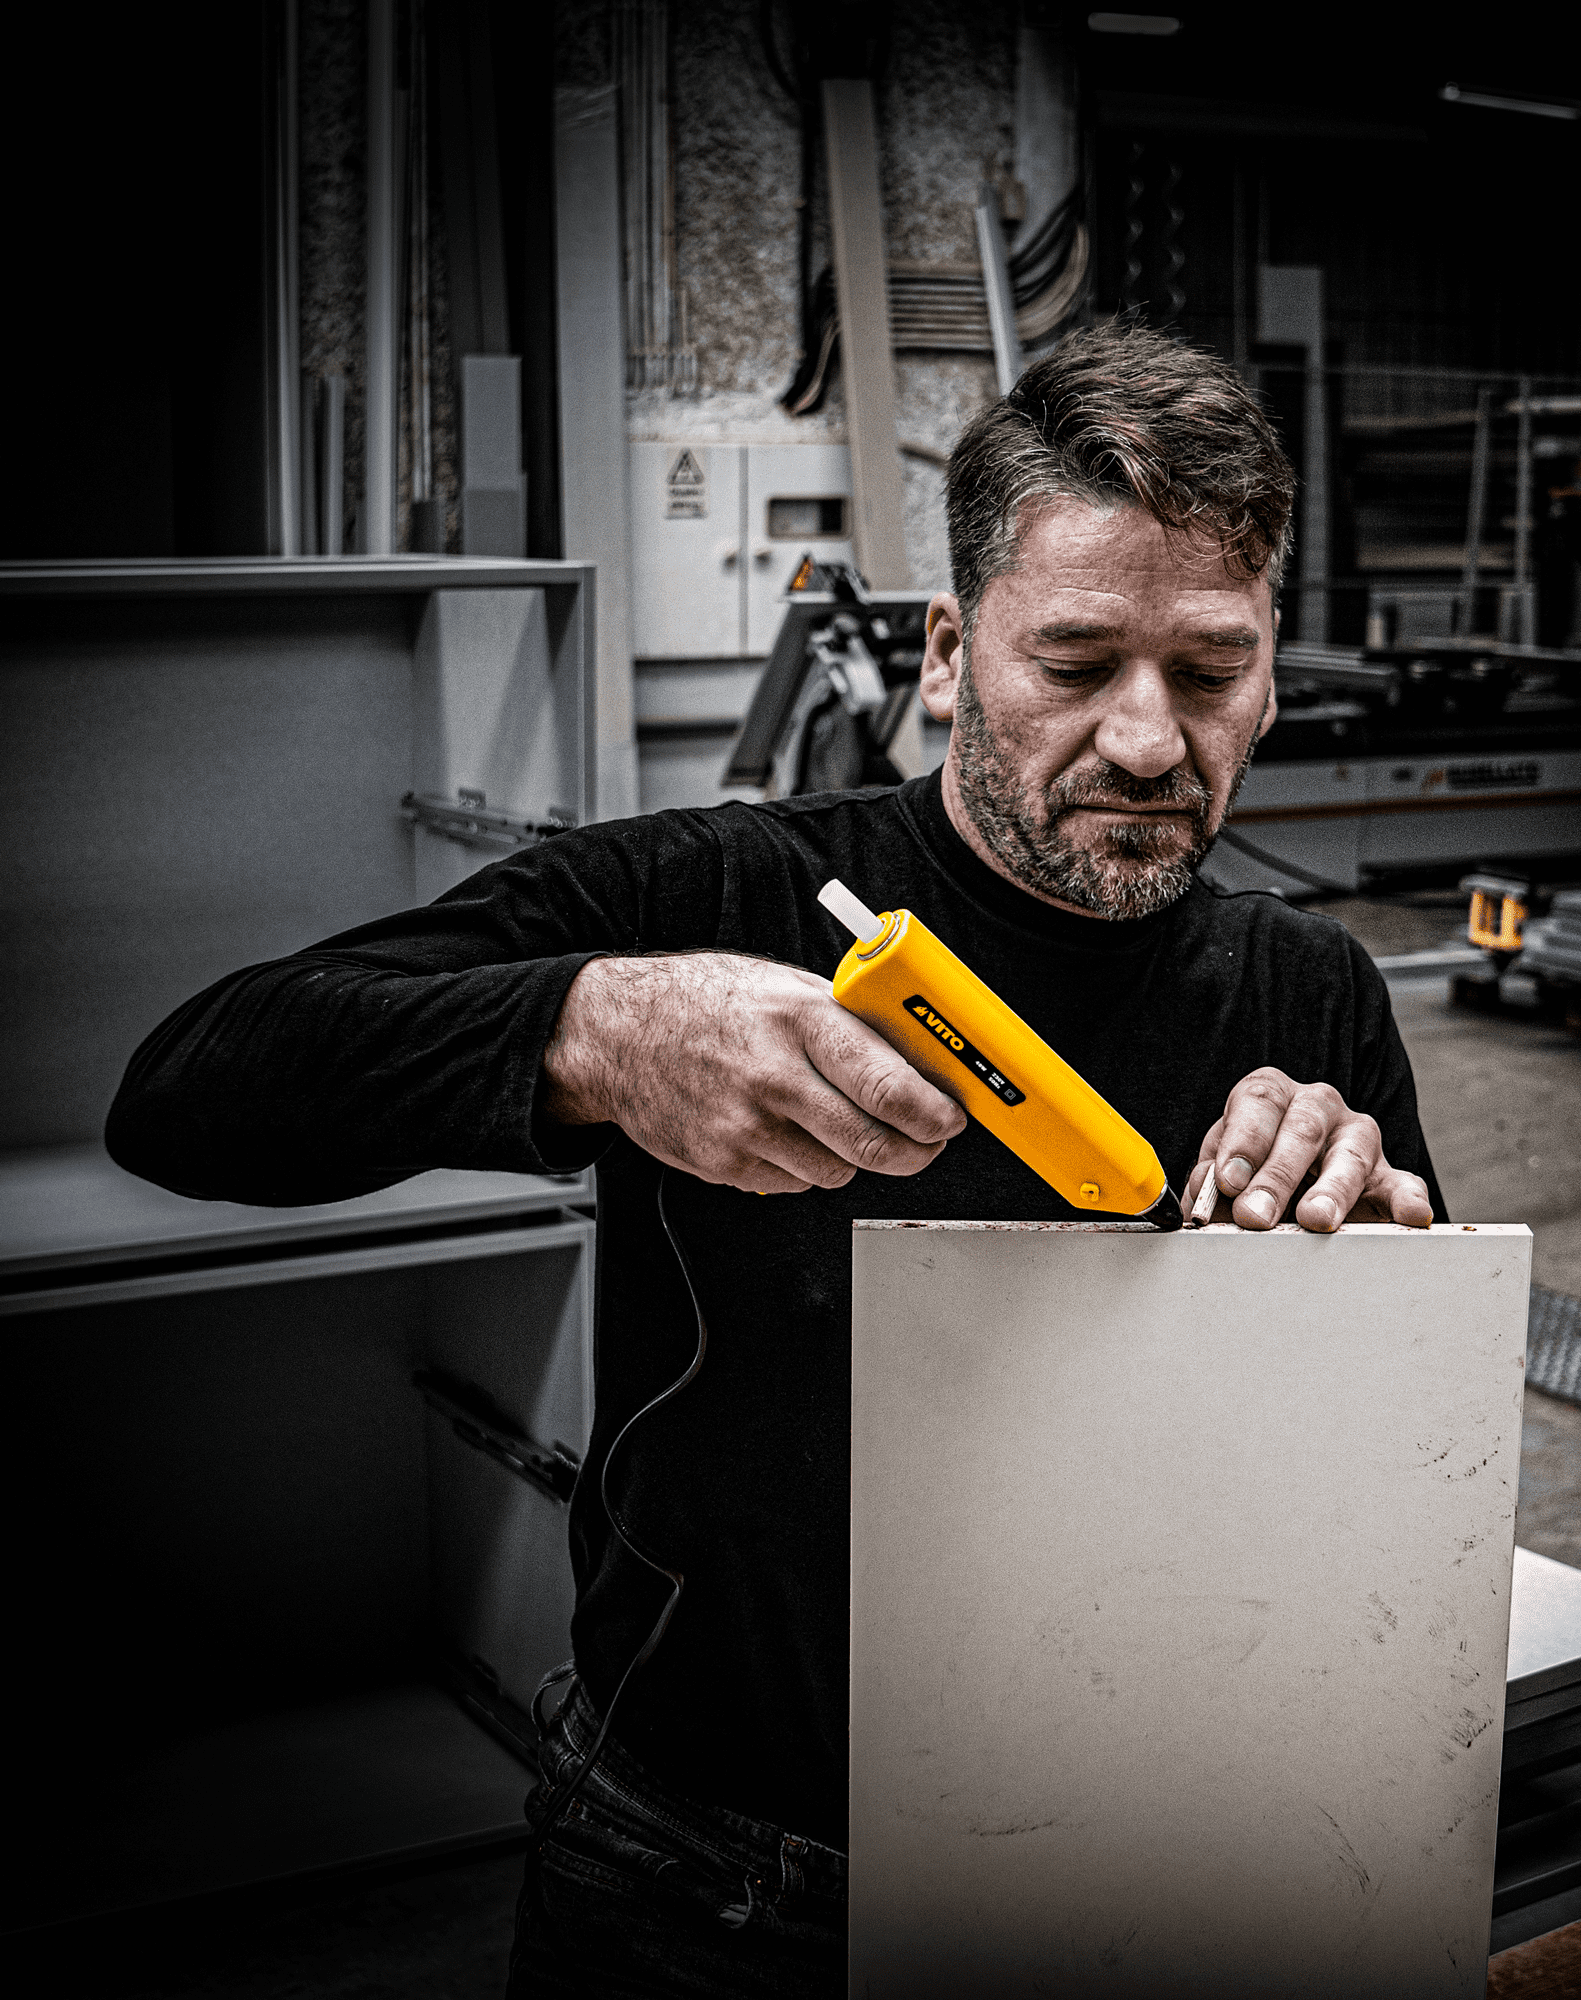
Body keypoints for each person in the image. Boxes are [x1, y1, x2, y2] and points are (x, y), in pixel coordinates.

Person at [107, 320, 1445, 1996]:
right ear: (949, 655)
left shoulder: (1307, 991)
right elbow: (189, 1087)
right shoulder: (712, 901)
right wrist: (591, 1032)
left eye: (1209, 672)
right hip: (703, 1880)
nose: (1149, 741)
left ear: (1270, 672)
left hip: (1151, 1847)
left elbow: (1401, 1477)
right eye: (1076, 662)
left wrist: (1373, 1252)